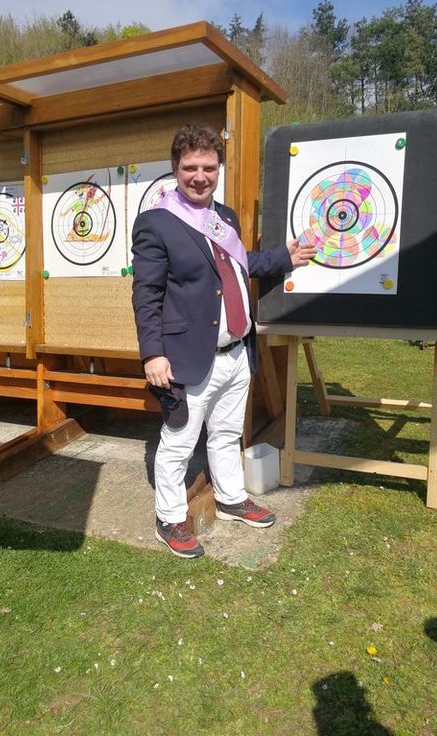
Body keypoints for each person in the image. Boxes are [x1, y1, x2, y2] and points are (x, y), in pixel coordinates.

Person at [131, 124, 316, 558]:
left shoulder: (225, 216)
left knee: (228, 432)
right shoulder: (156, 222)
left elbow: (236, 264)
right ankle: (170, 518)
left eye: (209, 168)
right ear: (175, 168)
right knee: (179, 441)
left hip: (236, 352)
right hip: (188, 357)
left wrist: (283, 258)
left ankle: (231, 498)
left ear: (219, 169)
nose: (200, 177)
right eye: (190, 167)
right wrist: (153, 354)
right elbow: (146, 294)